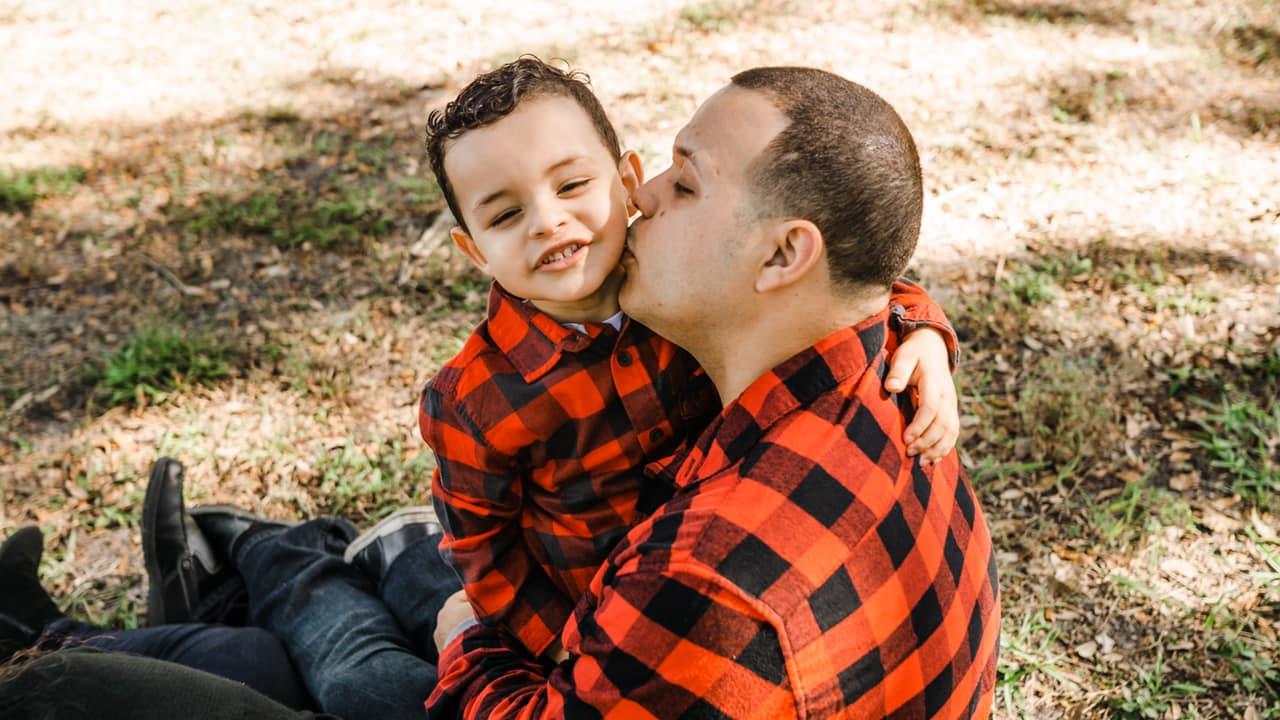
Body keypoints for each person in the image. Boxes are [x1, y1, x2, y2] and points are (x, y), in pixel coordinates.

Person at [425, 66, 1000, 719]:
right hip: (569, 608)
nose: (643, 198)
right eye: (506, 212)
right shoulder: (882, 365)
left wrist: (466, 644)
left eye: (687, 182)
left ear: (784, 256)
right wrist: (916, 322)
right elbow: (853, 269)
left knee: (366, 671)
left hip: (604, 659)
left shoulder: (705, 581)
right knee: (427, 571)